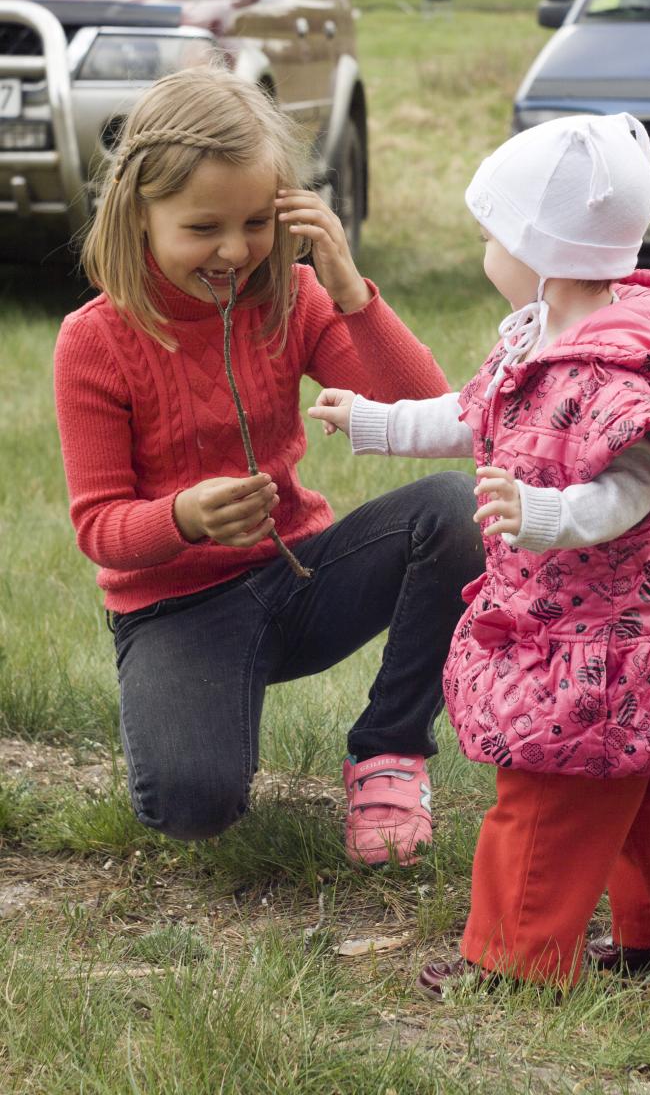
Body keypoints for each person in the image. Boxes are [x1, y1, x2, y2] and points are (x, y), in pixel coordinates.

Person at [308, 113, 650, 995]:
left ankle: (515, 962)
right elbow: (472, 413)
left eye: (489, 235)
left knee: (545, 793)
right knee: (632, 783)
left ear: (543, 251)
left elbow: (638, 485)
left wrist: (545, 514)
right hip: (594, 626)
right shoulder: (537, 341)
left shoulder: (610, 373)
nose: (483, 251)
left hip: (604, 641)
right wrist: (374, 421)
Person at [53, 68, 483, 868]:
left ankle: (388, 752)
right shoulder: (94, 340)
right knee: (193, 806)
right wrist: (183, 517)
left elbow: (434, 413)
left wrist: (350, 291)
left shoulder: (292, 296)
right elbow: (99, 529)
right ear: (139, 212)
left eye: (256, 223)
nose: (233, 250)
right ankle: (206, 710)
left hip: (300, 578)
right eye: (203, 227)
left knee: (459, 510)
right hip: (177, 612)